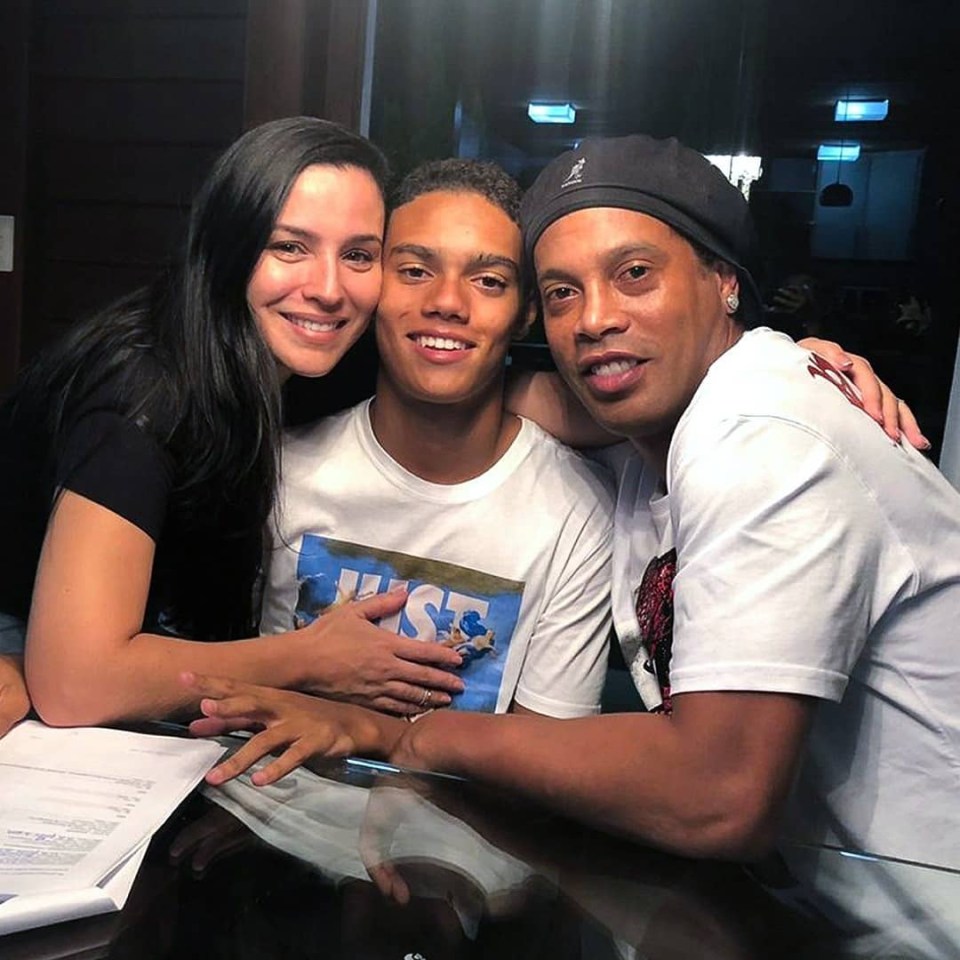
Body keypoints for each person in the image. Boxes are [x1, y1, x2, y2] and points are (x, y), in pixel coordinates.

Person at [189, 135, 959, 887]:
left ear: (725, 280)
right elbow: (487, 397)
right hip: (802, 902)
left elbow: (718, 796)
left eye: (634, 273)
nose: (594, 318)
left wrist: (410, 738)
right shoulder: (648, 448)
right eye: (564, 291)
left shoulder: (758, 435)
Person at [0, 116, 462, 728]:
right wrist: (308, 659)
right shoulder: (145, 390)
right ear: (229, 249)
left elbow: (497, 393)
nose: (328, 289)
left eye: (357, 255)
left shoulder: (322, 354)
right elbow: (76, 684)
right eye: (289, 246)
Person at [259, 159, 613, 718]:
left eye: (489, 281)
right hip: (260, 798)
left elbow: (542, 760)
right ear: (374, 286)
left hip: (460, 807)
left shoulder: (577, 511)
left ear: (526, 312)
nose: (447, 302)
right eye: (416, 271)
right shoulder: (282, 469)